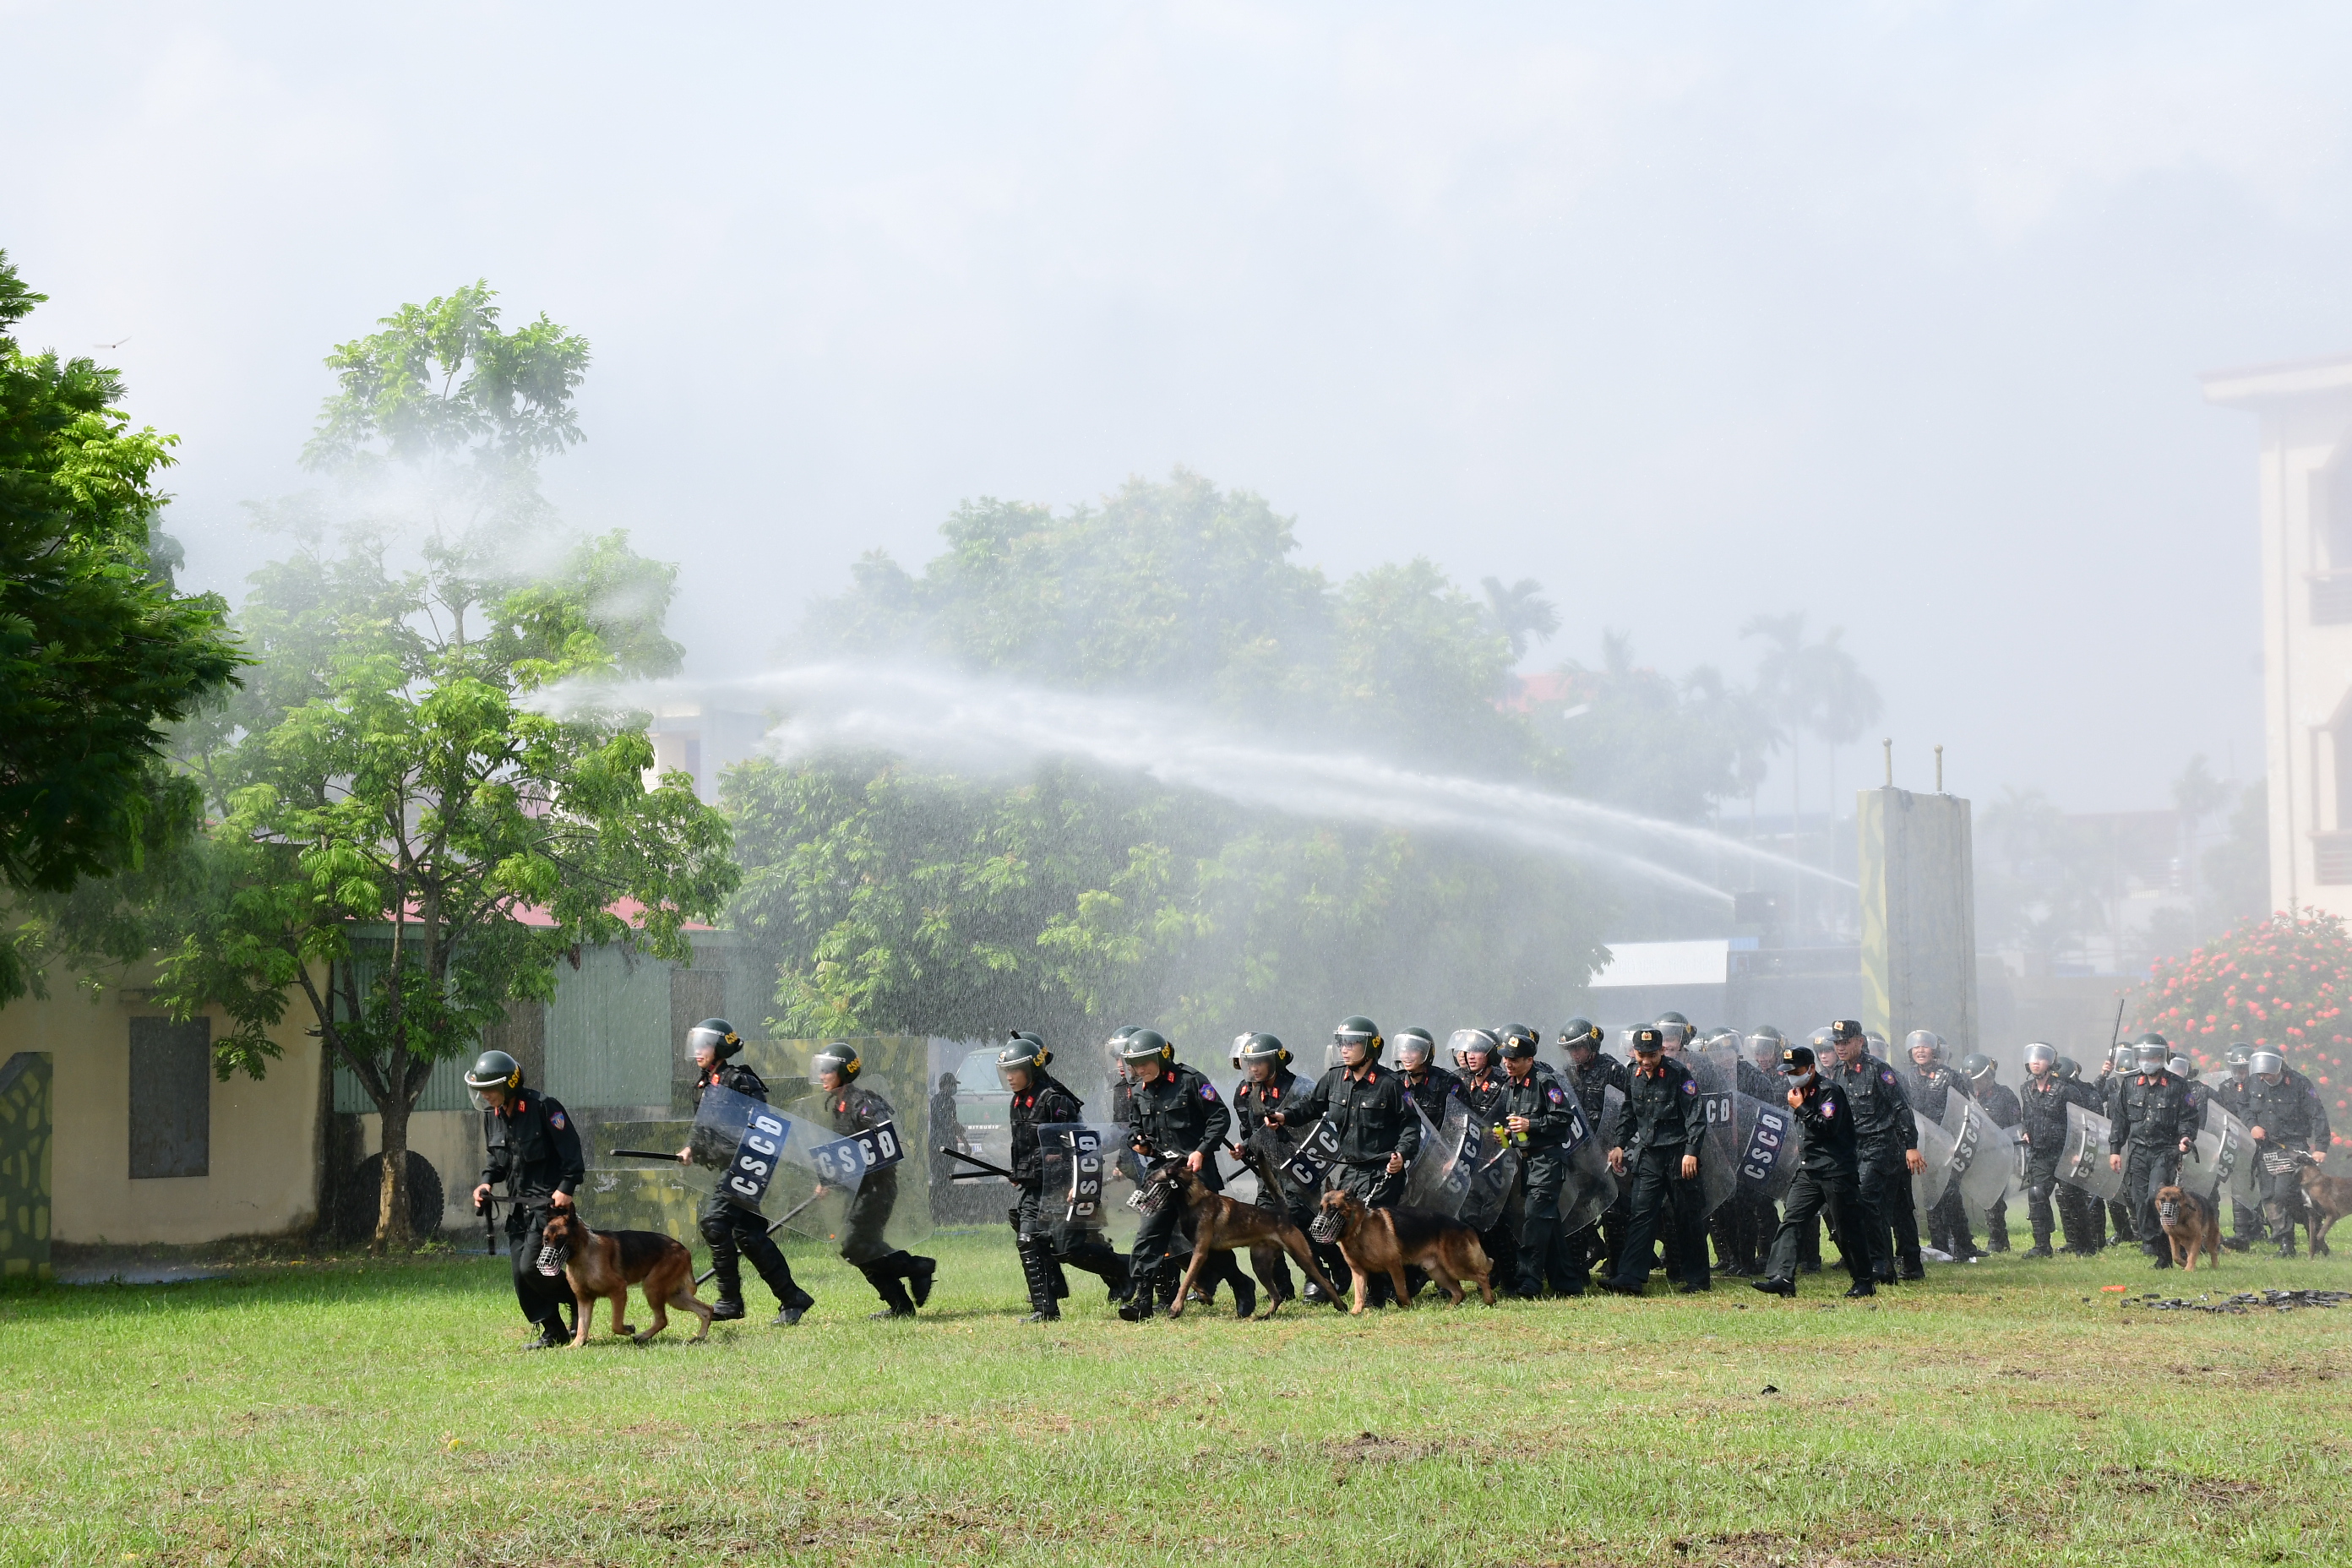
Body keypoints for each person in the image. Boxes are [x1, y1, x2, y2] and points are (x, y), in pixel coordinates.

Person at [1268, 1015, 1421, 1306]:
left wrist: (1401, 1155)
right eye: (1342, 1043)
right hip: (1350, 1172)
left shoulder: (1390, 1084)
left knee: (1372, 1231)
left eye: (1352, 1043)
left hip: (1383, 1171)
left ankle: (1380, 1294)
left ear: (1371, 1047)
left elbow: (1411, 1126)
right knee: (1337, 1227)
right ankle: (1354, 1281)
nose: (1345, 1049)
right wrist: (1284, 1117)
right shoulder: (1334, 1078)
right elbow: (1312, 1106)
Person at [674, 1019, 814, 1326]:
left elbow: (764, 1128)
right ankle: (792, 1298)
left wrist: (745, 1160)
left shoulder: (739, 1081)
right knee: (748, 1235)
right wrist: (692, 1149)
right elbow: (705, 1126)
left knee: (714, 1223)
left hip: (750, 1163)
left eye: (705, 1046)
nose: (698, 1052)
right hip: (731, 1165)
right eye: (695, 1046)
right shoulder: (704, 1083)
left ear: (721, 1048)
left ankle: (730, 1300)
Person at [999, 1031, 1130, 1321]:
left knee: (1069, 1249)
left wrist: (1079, 1185)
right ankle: (1045, 1310)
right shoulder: (1018, 1102)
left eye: (1015, 1070)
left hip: (1062, 1186)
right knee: (1028, 1239)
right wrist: (1019, 1172)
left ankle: (1128, 1270)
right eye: (1006, 1071)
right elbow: (1024, 1145)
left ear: (1032, 1069)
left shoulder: (1054, 1100)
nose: (1009, 1077)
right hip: (1036, 1187)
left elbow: (1081, 1145)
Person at [466, 1048, 585, 1350]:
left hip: (550, 1208)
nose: (485, 1096)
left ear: (507, 1085)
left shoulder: (544, 1107)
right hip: (519, 1209)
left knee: (533, 1268)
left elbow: (571, 1151)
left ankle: (577, 1297)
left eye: (488, 1090)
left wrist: (567, 1187)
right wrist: (485, 1183)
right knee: (520, 1276)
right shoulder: (492, 1118)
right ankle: (553, 1329)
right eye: (480, 1090)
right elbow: (497, 1161)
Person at [811, 1041, 938, 1318]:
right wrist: (829, 1179)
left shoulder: (863, 1104)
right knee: (860, 1250)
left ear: (844, 1072)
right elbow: (846, 1151)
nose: (821, 1076)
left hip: (878, 1188)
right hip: (859, 1190)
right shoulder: (840, 1105)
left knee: (857, 1247)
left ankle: (919, 1266)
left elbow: (884, 1140)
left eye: (827, 1071)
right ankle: (901, 1306)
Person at [1116, 1027, 1233, 1321]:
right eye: (1134, 1064)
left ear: (1161, 1056)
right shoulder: (1138, 1091)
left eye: (1144, 1062)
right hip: (1160, 1176)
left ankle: (1240, 1284)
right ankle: (1143, 1300)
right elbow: (1133, 1126)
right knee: (1149, 1233)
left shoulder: (1191, 1081)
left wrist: (1202, 1150)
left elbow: (1219, 1117)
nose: (1139, 1069)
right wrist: (1137, 1141)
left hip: (1195, 1175)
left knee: (1202, 1239)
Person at [1752, 1043, 1875, 1298]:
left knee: (1847, 1227)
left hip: (1836, 1171)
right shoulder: (1799, 1092)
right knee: (1792, 1221)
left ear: (1811, 1068)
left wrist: (1801, 1108)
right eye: (1787, 1071)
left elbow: (1827, 1128)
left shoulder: (1829, 1092)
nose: (1791, 1076)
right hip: (1809, 1171)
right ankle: (1782, 1277)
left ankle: (1864, 1281)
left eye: (1796, 1070)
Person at [1598, 1025, 1706, 1297]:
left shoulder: (1678, 1074)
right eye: (1641, 1055)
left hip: (1678, 1154)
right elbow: (1629, 1111)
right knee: (1641, 1214)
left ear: (1661, 1051)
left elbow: (1695, 1114)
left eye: (1651, 1055)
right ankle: (1630, 1277)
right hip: (1650, 1156)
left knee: (1686, 1217)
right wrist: (1619, 1144)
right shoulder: (1631, 1073)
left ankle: (1697, 1278)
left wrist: (1691, 1151)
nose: (1646, 1061)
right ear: (1635, 1052)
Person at [1230, 1031, 1326, 1304]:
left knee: (1302, 1222)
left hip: (1299, 1166)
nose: (1253, 1067)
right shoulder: (1247, 1092)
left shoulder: (1300, 1086)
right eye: (1250, 1062)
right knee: (1263, 1225)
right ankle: (1282, 1287)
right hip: (1268, 1172)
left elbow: (1318, 1123)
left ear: (1275, 1061)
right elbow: (1254, 1132)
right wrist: (1244, 1148)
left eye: (1259, 1061)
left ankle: (1319, 1278)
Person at [1827, 1020, 1921, 1282]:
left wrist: (1911, 1146)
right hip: (1855, 1148)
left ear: (1860, 1041)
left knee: (1867, 1201)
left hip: (1883, 1145)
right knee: (1896, 1207)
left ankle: (1881, 1264)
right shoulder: (1838, 1073)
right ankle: (1908, 1264)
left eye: (1846, 1042)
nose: (1841, 1047)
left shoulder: (1878, 1070)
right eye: (1837, 1043)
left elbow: (1901, 1108)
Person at [1497, 1026, 1584, 1297]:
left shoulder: (1545, 1082)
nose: (1507, 1063)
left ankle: (1529, 1282)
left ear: (1529, 1060)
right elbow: (1510, 1127)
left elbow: (1563, 1118)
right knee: (1549, 1223)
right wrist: (1504, 1136)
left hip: (1547, 1161)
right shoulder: (1511, 1086)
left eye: (1513, 1059)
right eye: (1505, 1058)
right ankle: (1568, 1285)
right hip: (1527, 1162)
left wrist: (1529, 1124)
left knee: (1534, 1219)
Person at [2107, 1035, 2195, 1269]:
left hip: (2164, 1152)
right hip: (2137, 1152)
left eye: (2154, 1057)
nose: (2149, 1062)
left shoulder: (2178, 1086)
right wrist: (2115, 1149)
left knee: (2154, 1198)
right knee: (2139, 1204)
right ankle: (2161, 1250)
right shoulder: (2128, 1084)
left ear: (2163, 1057)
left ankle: (2176, 1247)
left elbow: (2188, 1119)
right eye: (2144, 1057)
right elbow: (2120, 1120)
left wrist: (2185, 1138)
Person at [1559, 1017, 1629, 1285]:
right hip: (1579, 1154)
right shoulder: (1567, 1073)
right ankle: (1579, 1270)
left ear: (1592, 1044)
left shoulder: (1613, 1069)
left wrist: (1617, 1145)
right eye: (1570, 1049)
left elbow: (1625, 1111)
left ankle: (1617, 1268)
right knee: (1576, 1209)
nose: (1574, 1054)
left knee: (1613, 1211)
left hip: (1610, 1153)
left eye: (1578, 1047)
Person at [1453, 1027, 1521, 1291]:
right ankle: (1489, 1274)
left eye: (1478, 1050)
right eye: (1468, 1050)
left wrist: (1503, 1137)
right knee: (1472, 1219)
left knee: (1500, 1221)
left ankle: (1511, 1278)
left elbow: (1516, 1127)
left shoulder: (1506, 1083)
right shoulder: (1459, 1083)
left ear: (1491, 1054)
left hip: (1501, 1162)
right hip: (1472, 1164)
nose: (1471, 1056)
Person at [2246, 1047, 2328, 1257]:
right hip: (2266, 1148)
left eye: (2268, 1073)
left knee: (2283, 1194)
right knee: (2269, 1197)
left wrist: (2321, 1147)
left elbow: (2317, 1114)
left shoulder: (2300, 1083)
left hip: (2292, 1147)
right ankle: (2285, 1244)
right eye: (2261, 1074)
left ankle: (2313, 1226)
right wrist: (2252, 1124)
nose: (2265, 1077)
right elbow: (2243, 1106)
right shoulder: (2253, 1082)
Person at [1905, 1030, 1979, 1260]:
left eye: (1925, 1046)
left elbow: (1965, 1113)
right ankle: (1940, 1246)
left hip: (1947, 1144)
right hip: (1921, 1145)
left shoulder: (1951, 1077)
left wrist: (1956, 1143)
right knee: (1930, 1195)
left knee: (1950, 1194)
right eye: (1916, 1047)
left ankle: (1965, 1246)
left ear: (1934, 1050)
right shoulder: (1907, 1078)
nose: (1920, 1050)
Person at [1962, 1053, 2021, 1253]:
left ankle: (1998, 1239)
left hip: (1997, 1154)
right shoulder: (1965, 1097)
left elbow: (2015, 1126)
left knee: (1994, 1199)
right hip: (1972, 1152)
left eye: (1981, 1079)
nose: (1978, 1084)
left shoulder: (2005, 1095)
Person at [2014, 1043, 2068, 1259]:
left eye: (2041, 1057)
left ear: (2051, 1062)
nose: (2035, 1061)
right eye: (2032, 1057)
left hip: (2063, 1152)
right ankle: (2042, 1246)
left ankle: (2082, 1244)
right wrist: (2027, 1131)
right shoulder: (2025, 1089)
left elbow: (2077, 1121)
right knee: (2036, 1194)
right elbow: (2027, 1116)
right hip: (2040, 1152)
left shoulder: (2065, 1090)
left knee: (2071, 1198)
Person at [2053, 1055, 2106, 1253]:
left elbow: (2095, 1125)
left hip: (2088, 1148)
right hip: (2066, 1150)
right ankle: (2073, 1240)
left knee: (2090, 1193)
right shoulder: (2056, 1092)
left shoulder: (2089, 1094)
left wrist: (2082, 1152)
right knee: (2064, 1195)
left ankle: (2097, 1238)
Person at [2218, 1047, 2261, 1250]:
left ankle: (2264, 1229)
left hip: (2262, 1141)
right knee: (2240, 1186)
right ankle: (2242, 1233)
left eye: (2244, 1068)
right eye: (2237, 1069)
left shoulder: (2261, 1085)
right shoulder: (2225, 1088)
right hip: (2239, 1143)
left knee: (2266, 1189)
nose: (2241, 1073)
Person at [1393, 1026, 1460, 1128]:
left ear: (1426, 1053)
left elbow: (1461, 1123)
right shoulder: (1395, 1082)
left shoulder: (1448, 1083)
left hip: (1439, 1143)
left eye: (1413, 1051)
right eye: (1403, 1051)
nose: (1407, 1055)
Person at [929, 1070, 969, 1225]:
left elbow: (952, 1124)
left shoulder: (950, 1102)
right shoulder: (939, 1101)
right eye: (952, 1085)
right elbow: (947, 1122)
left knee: (946, 1181)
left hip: (947, 1145)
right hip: (939, 1147)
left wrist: (963, 1141)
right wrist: (958, 1129)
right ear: (945, 1085)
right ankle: (940, 1215)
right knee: (941, 1182)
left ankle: (945, 1214)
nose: (954, 1088)